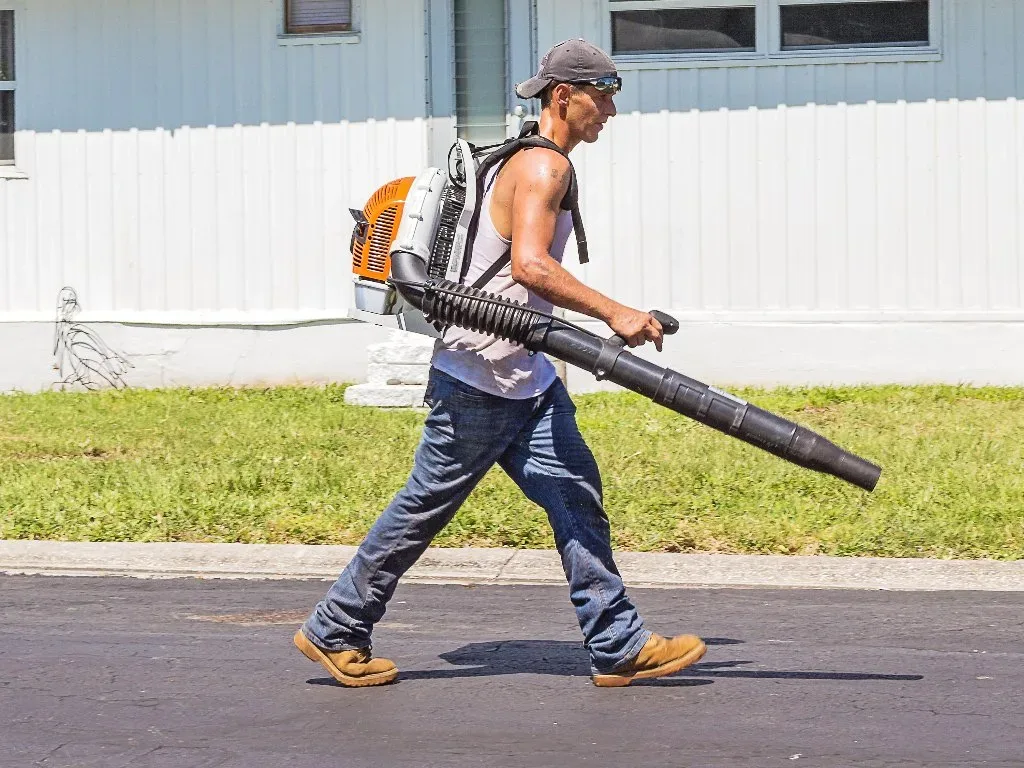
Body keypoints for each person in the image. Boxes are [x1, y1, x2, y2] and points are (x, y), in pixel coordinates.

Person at [294, 39, 706, 688]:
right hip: (481, 380)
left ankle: (617, 642)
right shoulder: (544, 169)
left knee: (577, 496)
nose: (611, 112)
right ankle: (336, 625)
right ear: (563, 97)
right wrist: (616, 314)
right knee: (422, 508)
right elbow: (531, 267)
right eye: (603, 96)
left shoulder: (516, 158)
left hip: (524, 376)